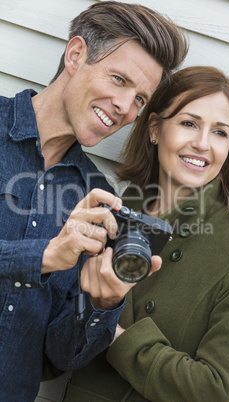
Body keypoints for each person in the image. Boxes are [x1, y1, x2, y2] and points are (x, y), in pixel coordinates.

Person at [0, 1, 188, 400]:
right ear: (76, 55)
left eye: (140, 99)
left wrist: (103, 303)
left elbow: (61, 355)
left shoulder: (99, 200)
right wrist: (45, 256)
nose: (125, 107)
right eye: (119, 79)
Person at [62, 66, 229, 402]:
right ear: (155, 128)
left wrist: (113, 332)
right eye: (189, 123)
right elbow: (51, 355)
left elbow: (215, 391)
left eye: (219, 133)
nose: (202, 144)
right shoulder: (105, 211)